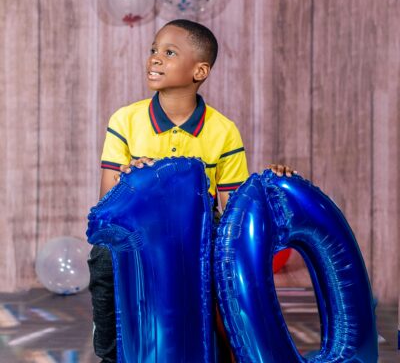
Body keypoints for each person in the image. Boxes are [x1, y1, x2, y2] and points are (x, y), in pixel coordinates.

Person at [88, 19, 295, 363]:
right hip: (138, 227)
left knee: (224, 264)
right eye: (154, 49)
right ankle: (110, 354)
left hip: (198, 228)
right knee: (104, 257)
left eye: (169, 53)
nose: (155, 58)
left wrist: (273, 183)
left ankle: (226, 348)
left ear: (199, 70)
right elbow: (106, 203)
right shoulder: (125, 120)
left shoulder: (223, 130)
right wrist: (132, 181)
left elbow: (232, 210)